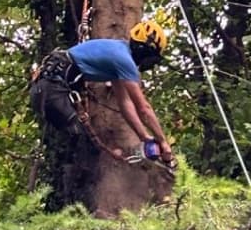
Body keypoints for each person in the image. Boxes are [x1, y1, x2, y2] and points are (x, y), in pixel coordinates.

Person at [30, 20, 174, 164]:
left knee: (80, 142)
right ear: (144, 50)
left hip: (47, 88)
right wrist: (163, 141)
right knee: (82, 144)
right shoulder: (124, 60)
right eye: (151, 59)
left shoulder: (119, 53)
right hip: (52, 88)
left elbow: (125, 103)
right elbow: (143, 108)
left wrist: (144, 137)